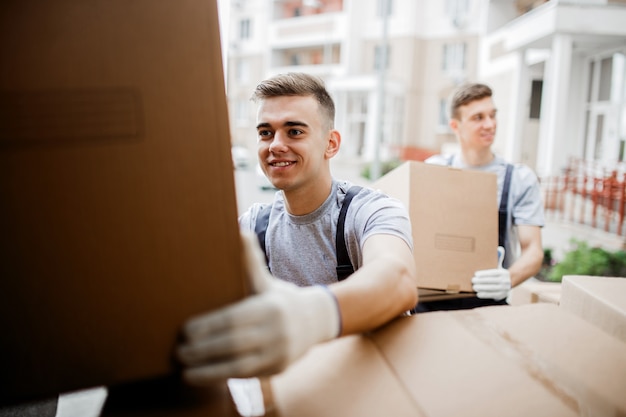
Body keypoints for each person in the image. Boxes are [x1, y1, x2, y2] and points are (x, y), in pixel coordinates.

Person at [176, 72, 418, 383]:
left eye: (294, 131)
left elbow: (397, 278)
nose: (276, 145)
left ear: (330, 144)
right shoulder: (252, 227)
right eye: (266, 133)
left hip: (369, 389)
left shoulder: (371, 211)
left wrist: (310, 316)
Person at [414, 82, 544, 312]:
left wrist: (508, 279)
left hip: (488, 302)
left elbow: (533, 249)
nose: (490, 124)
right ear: (456, 126)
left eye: (493, 116)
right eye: (478, 118)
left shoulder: (519, 179)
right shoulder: (434, 171)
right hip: (430, 299)